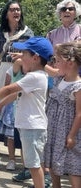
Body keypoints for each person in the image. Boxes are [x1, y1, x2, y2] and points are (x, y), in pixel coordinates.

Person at [0, 37, 53, 188]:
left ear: (35, 58)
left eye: (24, 54)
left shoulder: (34, 77)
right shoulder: (36, 77)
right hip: (32, 127)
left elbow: (9, 89)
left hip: (31, 127)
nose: (20, 58)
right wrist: (0, 104)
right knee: (36, 163)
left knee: (33, 165)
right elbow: (15, 94)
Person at [0, 0, 34, 173]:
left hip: (19, 71)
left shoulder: (27, 32)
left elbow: (32, 54)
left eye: (18, 9)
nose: (16, 12)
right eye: (12, 9)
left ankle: (19, 157)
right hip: (0, 71)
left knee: (13, 109)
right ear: (6, 13)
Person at [44, 41, 81, 188]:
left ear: (70, 63)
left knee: (74, 164)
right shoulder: (60, 78)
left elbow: (79, 113)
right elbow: (45, 68)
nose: (55, 64)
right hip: (53, 130)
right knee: (53, 161)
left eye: (58, 61)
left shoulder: (78, 86)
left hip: (67, 131)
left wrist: (71, 135)